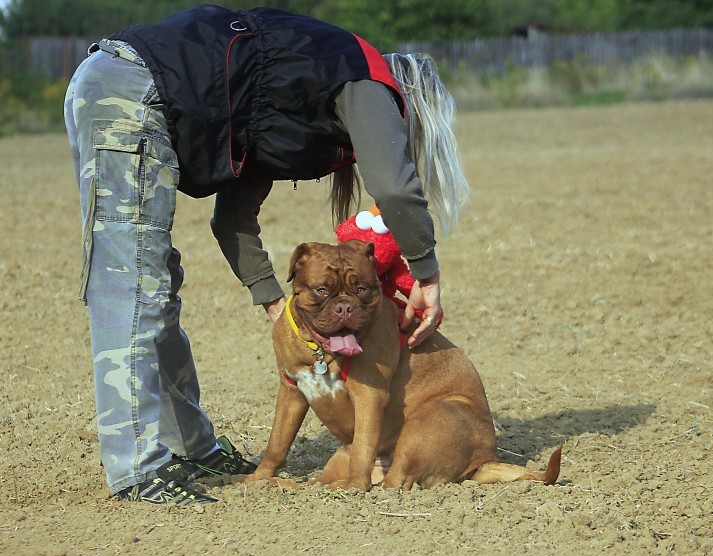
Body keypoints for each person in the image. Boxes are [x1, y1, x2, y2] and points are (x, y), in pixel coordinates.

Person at [64, 4, 470, 506]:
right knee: (131, 282)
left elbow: (231, 220)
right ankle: (138, 469)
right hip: (132, 91)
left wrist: (276, 302)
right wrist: (426, 273)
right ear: (408, 102)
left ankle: (192, 448)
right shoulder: (366, 77)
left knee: (155, 286)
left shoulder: (293, 86)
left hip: (124, 82)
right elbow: (394, 187)